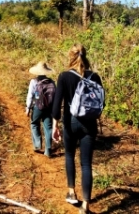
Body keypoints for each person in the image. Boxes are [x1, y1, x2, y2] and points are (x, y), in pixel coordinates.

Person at [51, 44, 103, 214]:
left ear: (70, 57)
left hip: (70, 122)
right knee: (86, 163)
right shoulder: (95, 76)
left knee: (69, 155)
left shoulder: (64, 76)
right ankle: (85, 206)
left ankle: (72, 192)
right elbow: (103, 103)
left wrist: (55, 126)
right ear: (85, 56)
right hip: (89, 124)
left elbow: (57, 104)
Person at [25, 61, 55, 158]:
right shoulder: (52, 82)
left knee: (34, 123)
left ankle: (37, 145)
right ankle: (48, 150)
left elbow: (30, 95)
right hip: (49, 108)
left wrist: (28, 108)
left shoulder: (34, 82)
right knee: (48, 128)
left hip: (38, 107)